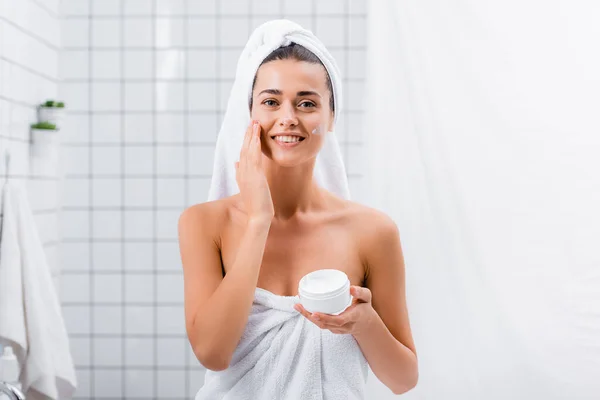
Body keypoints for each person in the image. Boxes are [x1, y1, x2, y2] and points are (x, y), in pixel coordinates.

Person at [178, 21, 418, 399]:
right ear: (250, 113)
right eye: (271, 101)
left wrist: (364, 323)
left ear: (331, 118)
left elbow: (403, 380)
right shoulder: (206, 223)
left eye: (307, 103)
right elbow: (212, 353)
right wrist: (259, 221)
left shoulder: (372, 231)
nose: (288, 117)